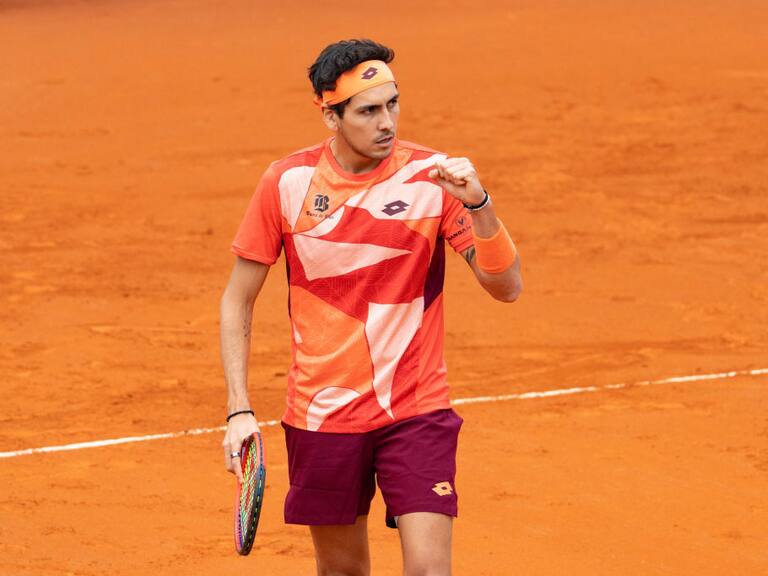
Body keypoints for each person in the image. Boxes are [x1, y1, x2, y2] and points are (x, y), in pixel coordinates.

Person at [220, 38, 522, 576]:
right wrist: (239, 409)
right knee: (343, 572)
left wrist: (479, 205)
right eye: (368, 110)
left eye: (393, 104)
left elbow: (507, 287)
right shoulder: (286, 184)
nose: (387, 123)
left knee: (430, 570)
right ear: (330, 115)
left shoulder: (434, 179)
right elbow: (237, 300)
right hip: (323, 413)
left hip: (415, 406)